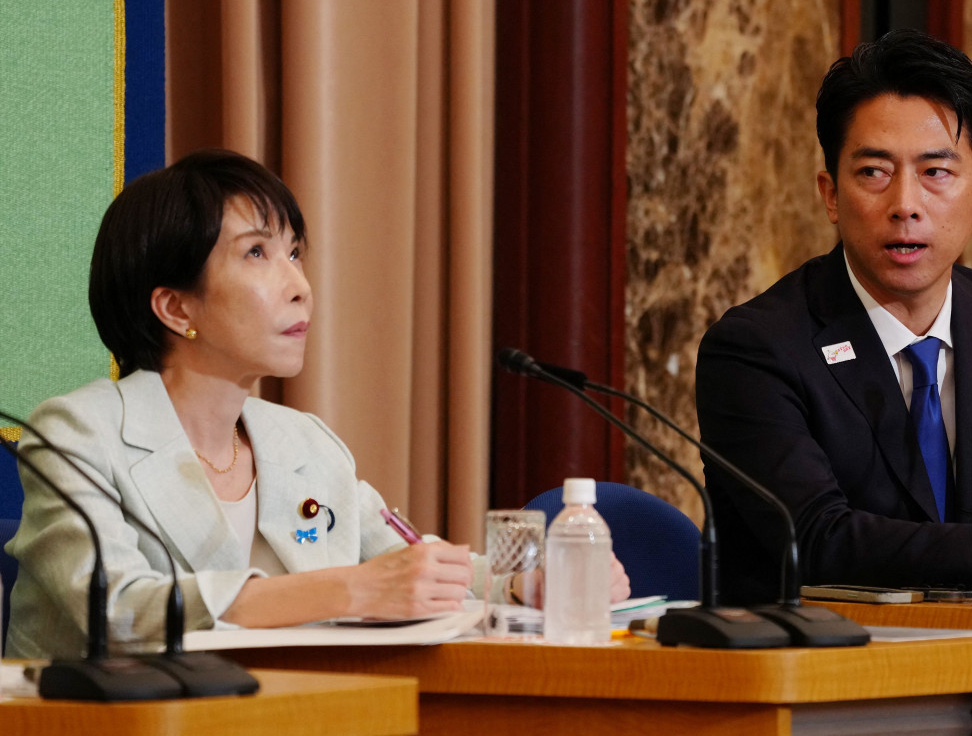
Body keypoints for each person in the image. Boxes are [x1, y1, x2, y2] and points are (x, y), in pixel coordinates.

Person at [5, 149, 629, 659]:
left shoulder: (303, 442)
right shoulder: (77, 433)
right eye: (257, 253)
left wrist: (524, 584)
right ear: (175, 307)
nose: (300, 286)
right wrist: (346, 590)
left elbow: (400, 562)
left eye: (295, 253)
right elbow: (116, 611)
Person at [695, 30, 972, 604]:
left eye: (936, 172)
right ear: (830, 195)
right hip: (827, 666)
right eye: (874, 173)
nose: (905, 203)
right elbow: (814, 538)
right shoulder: (758, 347)